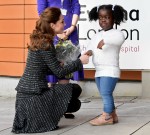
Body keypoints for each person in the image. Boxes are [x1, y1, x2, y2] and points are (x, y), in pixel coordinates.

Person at [12, 7, 89, 133]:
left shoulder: (41, 39)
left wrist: (58, 63)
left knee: (74, 99)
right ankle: (44, 118)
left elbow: (44, 67)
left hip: (26, 98)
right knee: (75, 94)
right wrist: (80, 61)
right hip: (32, 99)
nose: (65, 24)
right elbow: (59, 73)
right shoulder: (46, 44)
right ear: (53, 25)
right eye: (62, 21)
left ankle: (46, 116)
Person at [37, 0, 83, 119]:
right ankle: (49, 107)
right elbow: (42, 12)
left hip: (69, 32)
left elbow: (76, 6)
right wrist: (55, 32)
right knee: (51, 69)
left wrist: (72, 27)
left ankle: (63, 106)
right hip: (52, 32)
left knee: (65, 66)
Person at [85, 4, 126, 126]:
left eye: (107, 17)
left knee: (106, 93)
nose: (103, 20)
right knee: (105, 93)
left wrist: (105, 41)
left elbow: (120, 39)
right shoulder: (97, 35)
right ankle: (113, 114)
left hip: (110, 70)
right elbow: (91, 47)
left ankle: (106, 116)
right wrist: (88, 52)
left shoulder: (116, 33)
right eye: (101, 17)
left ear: (114, 18)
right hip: (99, 70)